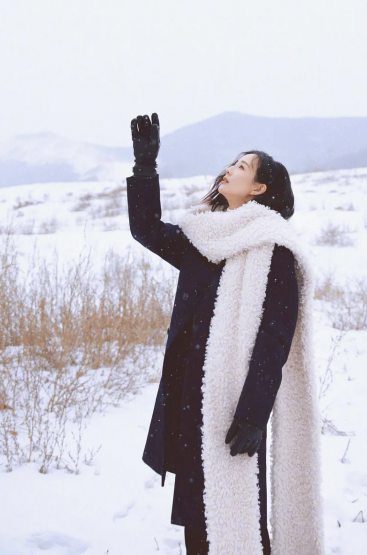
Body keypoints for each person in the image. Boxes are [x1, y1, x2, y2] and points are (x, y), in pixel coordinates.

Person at [127, 113, 325, 555]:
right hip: (191, 394)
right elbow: (146, 230)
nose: (230, 168)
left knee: (238, 520)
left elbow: (274, 340)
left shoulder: (271, 248)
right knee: (196, 517)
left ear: (259, 188)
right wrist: (145, 168)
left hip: (234, 404)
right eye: (233, 162)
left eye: (243, 166)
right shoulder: (205, 237)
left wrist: (254, 414)